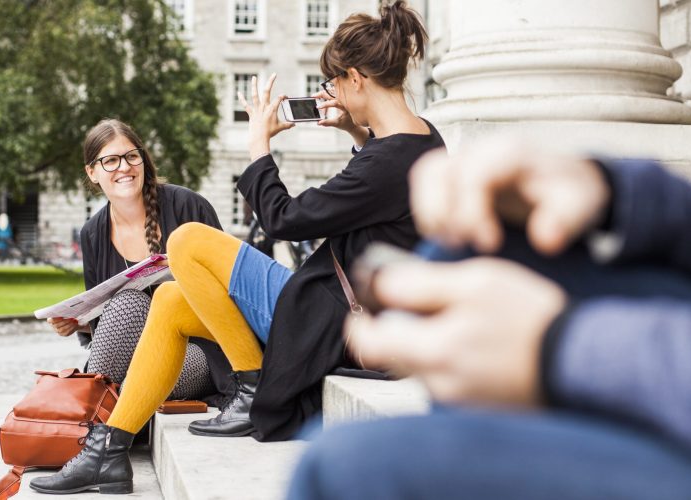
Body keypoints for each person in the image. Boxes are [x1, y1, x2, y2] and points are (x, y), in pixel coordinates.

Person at [29, 2, 443, 495]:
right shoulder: (422, 139)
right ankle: (110, 449)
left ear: (355, 78)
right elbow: (371, 188)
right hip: (332, 309)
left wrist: (258, 146)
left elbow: (283, 219)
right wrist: (355, 130)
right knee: (168, 300)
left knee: (185, 240)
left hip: (332, 323)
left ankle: (250, 382)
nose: (331, 95)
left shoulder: (390, 160)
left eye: (333, 84)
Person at [286, 140, 691, 500]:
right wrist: (614, 192)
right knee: (472, 250)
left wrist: (563, 347)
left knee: (344, 471)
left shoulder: (384, 160)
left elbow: (287, 216)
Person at [45, 119, 233, 408]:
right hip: (131, 358)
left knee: (131, 321)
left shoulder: (188, 207)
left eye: (131, 156)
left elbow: (231, 288)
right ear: (92, 172)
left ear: (143, 159)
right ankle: (101, 419)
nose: (124, 167)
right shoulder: (93, 233)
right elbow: (104, 323)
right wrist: (79, 324)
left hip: (197, 351)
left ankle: (90, 416)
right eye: (110, 161)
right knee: (128, 305)